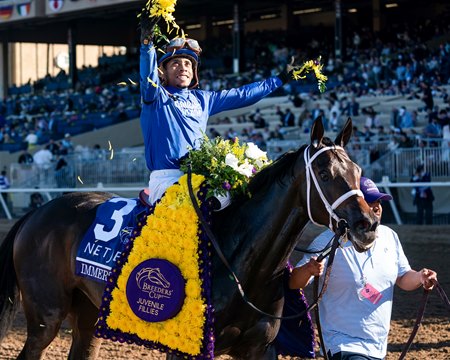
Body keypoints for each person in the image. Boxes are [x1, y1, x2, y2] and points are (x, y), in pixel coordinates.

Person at [139, 13, 294, 209]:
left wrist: (280, 79)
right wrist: (147, 44)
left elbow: (243, 94)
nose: (183, 67)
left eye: (188, 64)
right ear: (164, 71)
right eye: (175, 63)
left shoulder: (204, 99)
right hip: (166, 179)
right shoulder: (155, 96)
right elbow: (147, 75)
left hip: (199, 177)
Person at [289, 176, 438, 360]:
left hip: (377, 345)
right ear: (354, 206)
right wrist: (309, 270)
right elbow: (294, 282)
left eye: (379, 201)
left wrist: (420, 277)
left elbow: (402, 277)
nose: (376, 206)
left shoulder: (390, 237)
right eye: (370, 201)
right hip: (342, 343)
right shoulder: (327, 240)